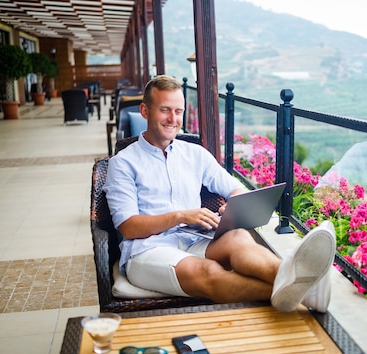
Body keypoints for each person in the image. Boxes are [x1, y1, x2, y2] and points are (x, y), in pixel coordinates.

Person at [104, 75, 336, 312]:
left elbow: (235, 188)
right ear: (145, 110)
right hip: (148, 250)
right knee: (209, 271)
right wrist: (181, 216)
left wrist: (233, 207)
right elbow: (128, 226)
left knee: (239, 239)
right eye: (165, 110)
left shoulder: (195, 154)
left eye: (178, 111)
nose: (173, 119)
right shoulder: (122, 163)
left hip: (195, 240)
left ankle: (295, 275)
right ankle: (305, 293)